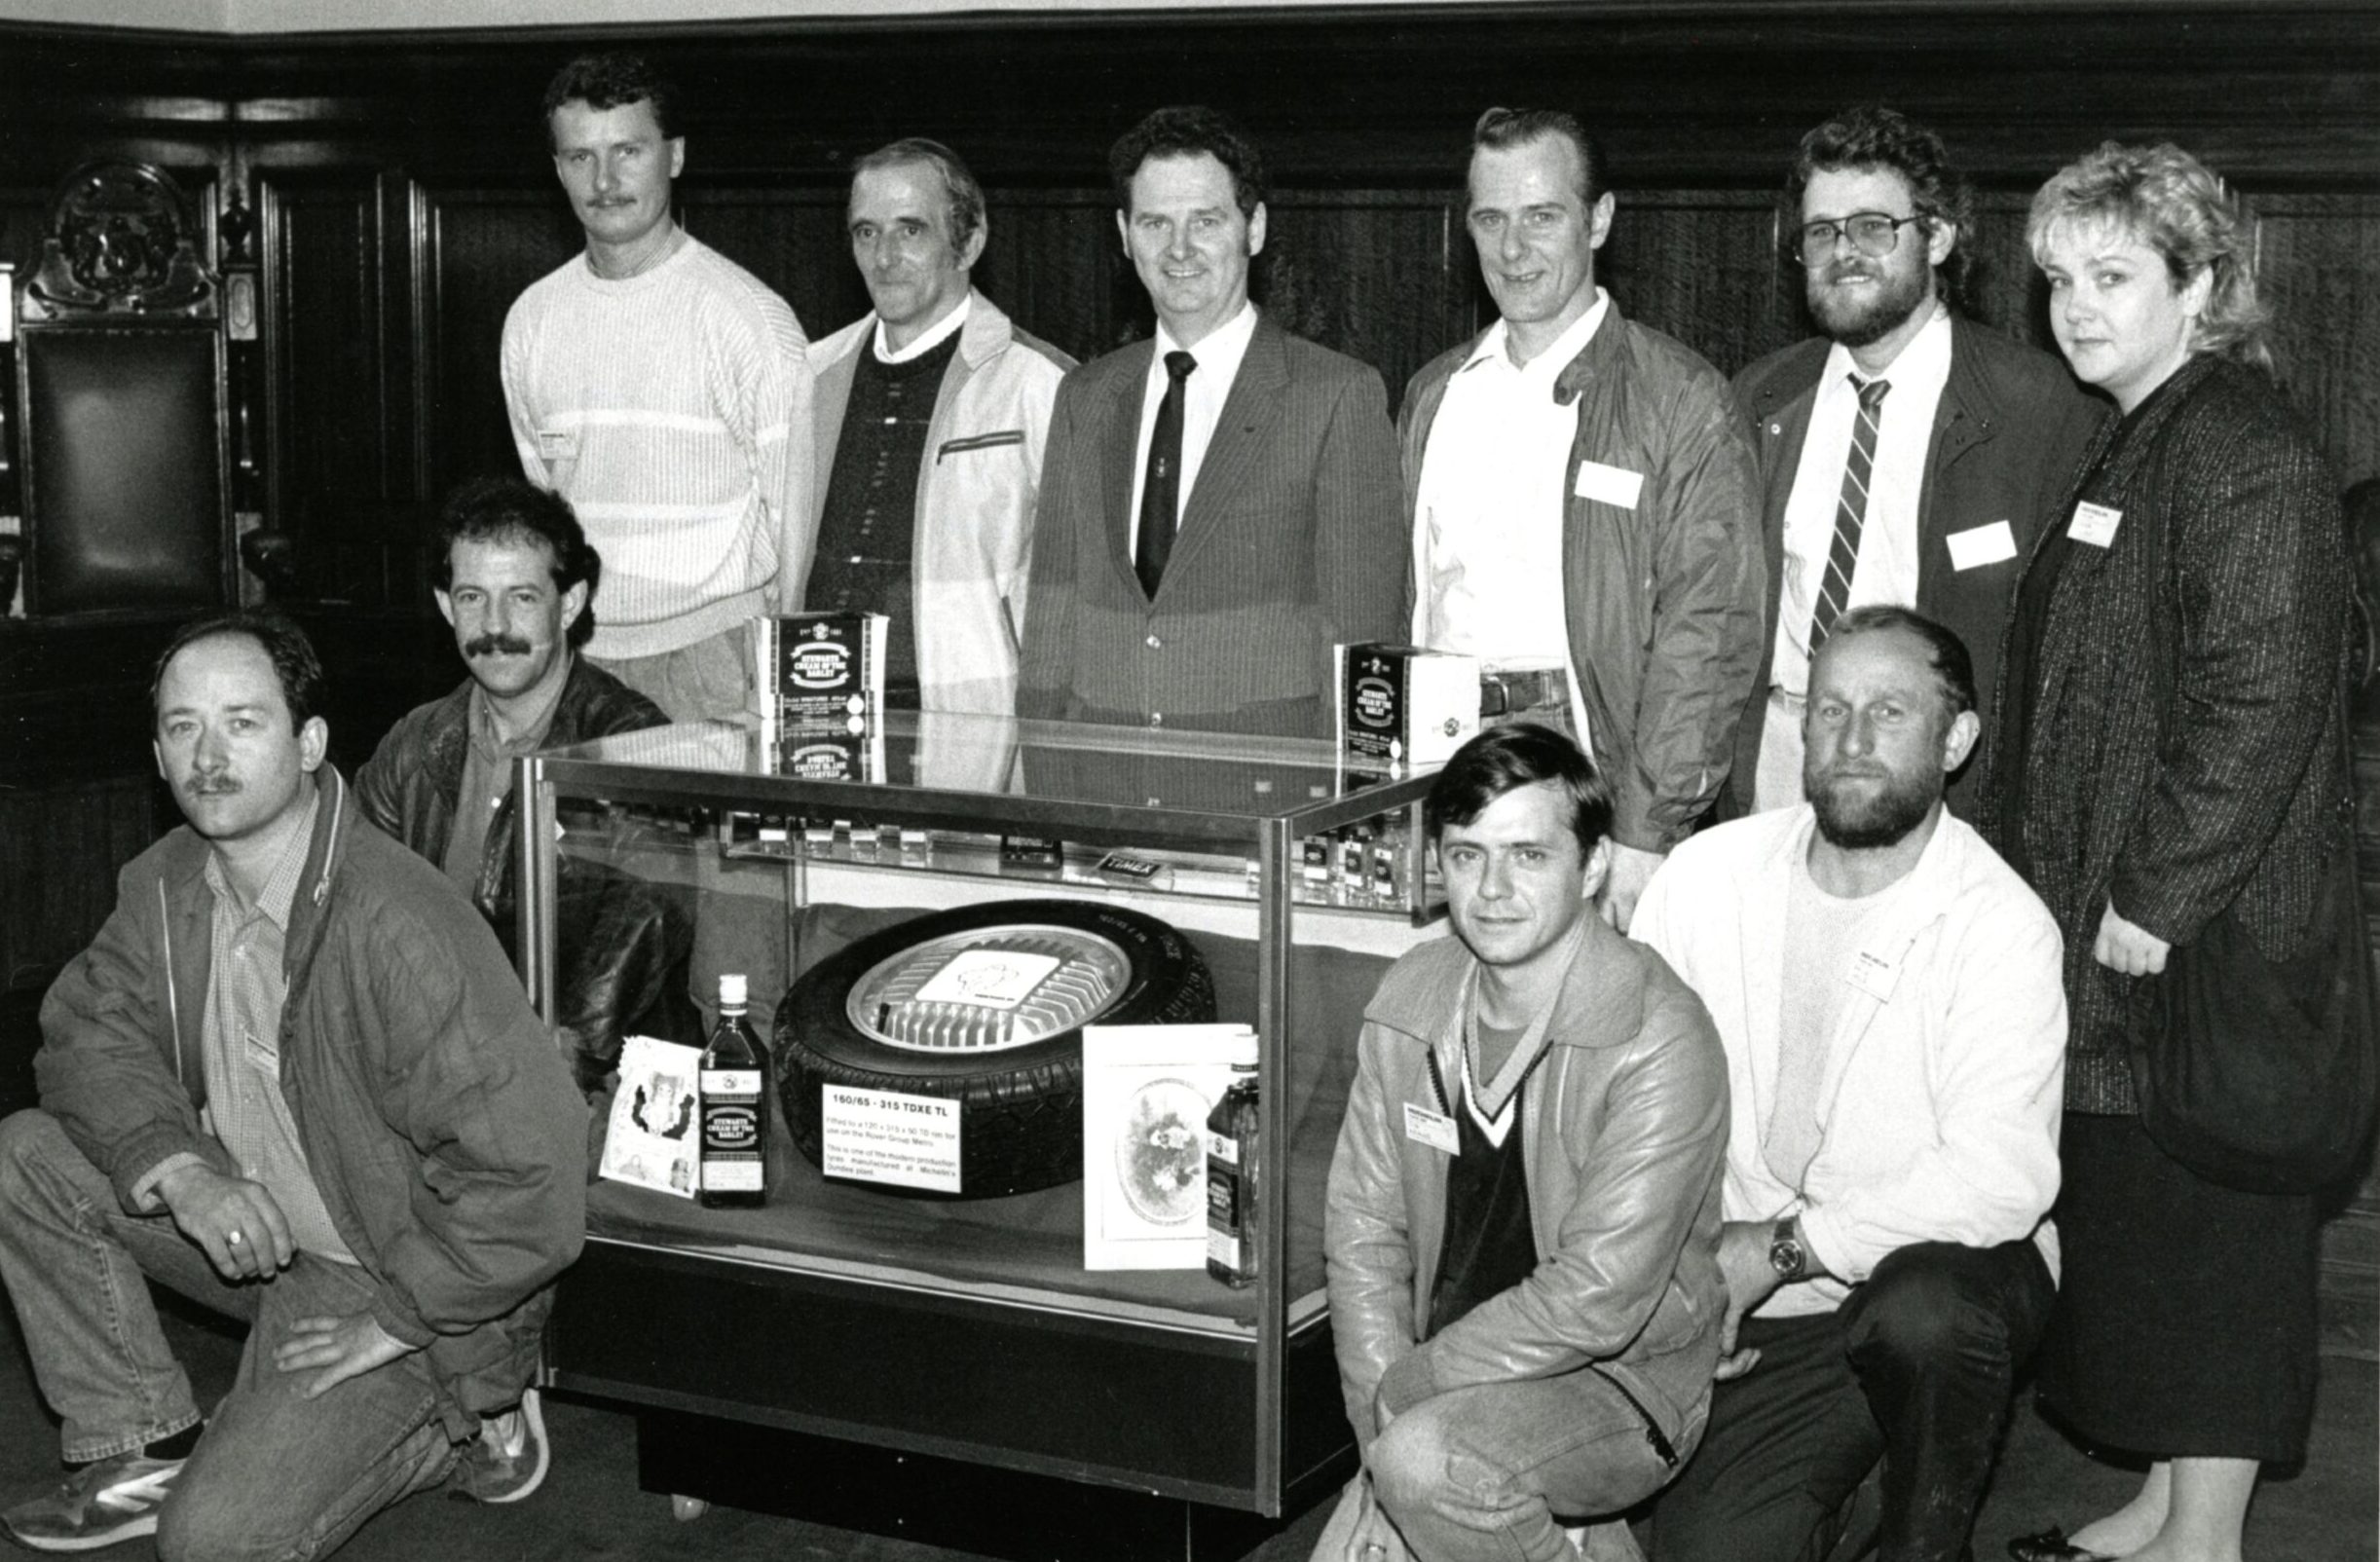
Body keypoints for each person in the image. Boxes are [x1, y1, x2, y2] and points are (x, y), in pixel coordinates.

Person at [0, 611, 587, 1556]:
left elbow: (535, 1171)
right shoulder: (166, 881)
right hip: (263, 1226)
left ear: (310, 743)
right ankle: (145, 1438)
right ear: (155, 751)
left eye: (243, 720)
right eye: (182, 725)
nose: (208, 752)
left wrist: (400, 1320)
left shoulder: (394, 923)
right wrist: (185, 1173)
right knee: (25, 1156)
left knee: (217, 1540)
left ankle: (465, 1422)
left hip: (400, 1271)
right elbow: (85, 1037)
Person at [1992, 142, 2358, 1562]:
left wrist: (2159, 889)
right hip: (2120, 927)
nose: (2077, 307)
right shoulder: (2150, 427)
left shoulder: (2240, 446)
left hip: (2195, 940)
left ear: (2201, 283)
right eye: (2059, 281)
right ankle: (2161, 1501)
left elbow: (2263, 690)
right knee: (2143, 1229)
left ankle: (2204, 1540)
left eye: (2114, 276)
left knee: (2209, 1243)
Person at [1633, 606, 2064, 1562]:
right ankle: (1849, 1477)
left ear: (1954, 739)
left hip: (1925, 1278)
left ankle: (1921, 1533)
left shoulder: (1996, 923)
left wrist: (1781, 1247)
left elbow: (2001, 1174)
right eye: (1826, 709)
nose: (1851, 739)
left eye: (1888, 710)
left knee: (1924, 1311)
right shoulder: (1703, 877)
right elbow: (1624, 1104)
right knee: (1708, 1548)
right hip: (1749, 1301)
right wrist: (1667, 1284)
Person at [1317, 723, 1728, 1562]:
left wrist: (1406, 1408)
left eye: (1529, 856)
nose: (1493, 889)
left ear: (1596, 866)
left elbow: (1596, 1298)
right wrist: (1373, 1443)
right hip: (1438, 1388)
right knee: (1411, 1477)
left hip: (1619, 1386)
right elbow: (1363, 1235)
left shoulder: (1659, 1034)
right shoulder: (1411, 998)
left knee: (1433, 1468)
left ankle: (1532, 1511)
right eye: (1467, 855)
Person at [1401, 107, 1765, 932]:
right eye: (1491, 220)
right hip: (1454, 795)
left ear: (1598, 220)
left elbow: (1708, 631)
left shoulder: (1682, 400)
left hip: (1602, 810)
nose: (1513, 248)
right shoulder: (1434, 395)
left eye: (1542, 217)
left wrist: (1646, 834)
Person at [1728, 106, 2106, 820]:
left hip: (1937, 774)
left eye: (1874, 226)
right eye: (1821, 232)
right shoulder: (1762, 397)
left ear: (1937, 237)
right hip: (1782, 755)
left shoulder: (2038, 406)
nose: (1845, 251)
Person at [1017, 105, 1404, 737]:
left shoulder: (1336, 395)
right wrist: (1043, 808)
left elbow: (1358, 645)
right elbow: (1052, 625)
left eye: (1205, 221)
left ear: (1254, 228)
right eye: (1155, 223)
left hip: (1263, 794)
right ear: (1123, 233)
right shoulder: (1084, 396)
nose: (1179, 249)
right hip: (1101, 789)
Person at [502, 50, 814, 722]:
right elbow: (543, 520)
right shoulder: (531, 320)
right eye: (581, 157)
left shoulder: (747, 319)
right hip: (578, 662)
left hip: (716, 661)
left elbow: (798, 526)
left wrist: (781, 685)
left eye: (628, 151)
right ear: (557, 167)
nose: (605, 180)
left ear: (673, 156)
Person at [356, 476, 694, 1095]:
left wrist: (561, 1056)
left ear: (569, 604)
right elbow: (353, 893)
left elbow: (648, 917)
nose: (495, 626)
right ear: (443, 604)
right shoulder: (415, 744)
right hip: (428, 1066)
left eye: (521, 598)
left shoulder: (632, 741)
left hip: (582, 1079)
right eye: (472, 597)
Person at [798, 137, 1074, 714]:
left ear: (969, 241)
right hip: (817, 709)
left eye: (911, 230)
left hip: (971, 719)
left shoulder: (1039, 383)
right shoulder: (810, 376)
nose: (885, 255)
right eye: (866, 232)